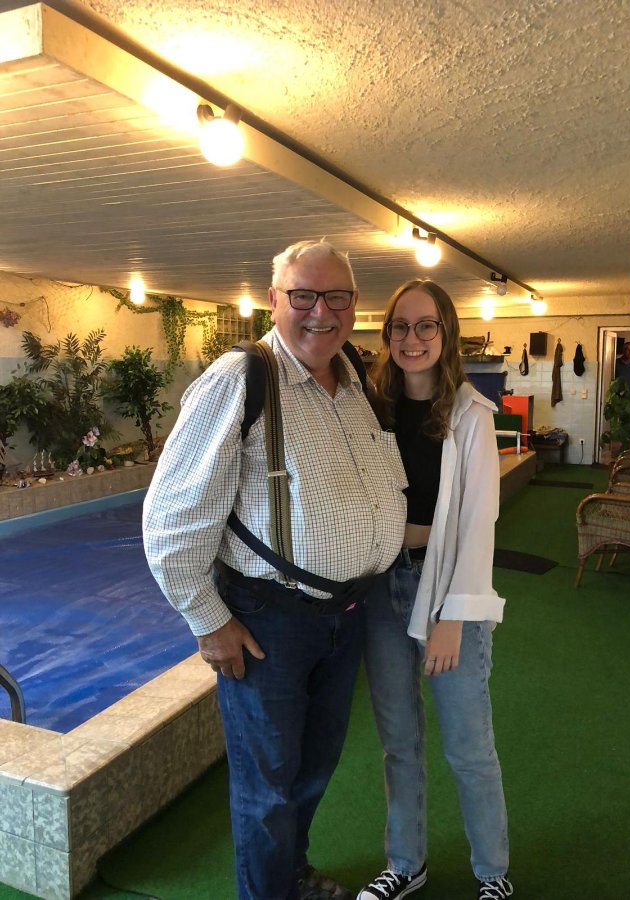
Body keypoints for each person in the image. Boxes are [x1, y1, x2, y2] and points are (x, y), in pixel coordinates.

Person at [143, 240, 407, 900]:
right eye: (303, 296)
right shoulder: (240, 379)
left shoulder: (355, 380)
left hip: (345, 619)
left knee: (313, 770)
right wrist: (209, 622)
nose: (321, 311)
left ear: (354, 303)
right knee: (266, 790)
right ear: (273, 300)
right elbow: (171, 520)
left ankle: (290, 875)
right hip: (268, 626)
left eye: (336, 297)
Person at [357, 279, 513, 900]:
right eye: (400, 326)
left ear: (446, 333)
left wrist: (452, 616)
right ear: (387, 334)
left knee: (469, 747)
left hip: (447, 589)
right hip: (382, 589)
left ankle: (493, 874)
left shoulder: (471, 415)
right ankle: (406, 862)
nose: (412, 338)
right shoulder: (370, 410)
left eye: (426, 326)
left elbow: (479, 522)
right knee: (398, 742)